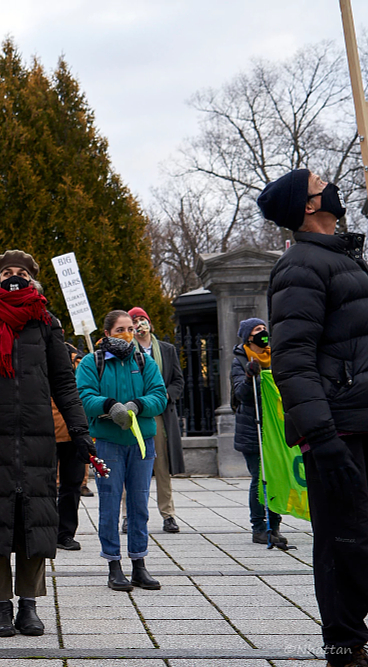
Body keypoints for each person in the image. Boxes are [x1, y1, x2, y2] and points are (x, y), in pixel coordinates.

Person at [260, 168, 368, 667]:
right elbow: (293, 359)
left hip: (361, 420)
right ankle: (346, 650)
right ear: (308, 206)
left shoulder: (345, 258)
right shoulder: (301, 265)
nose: (333, 186)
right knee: (345, 543)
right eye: (321, 182)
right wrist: (322, 438)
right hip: (340, 430)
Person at [0, 250, 93, 637]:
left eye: (20, 272)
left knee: (35, 522)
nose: (13, 276)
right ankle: (1, 606)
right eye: (6, 272)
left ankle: (29, 606)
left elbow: (64, 382)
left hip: (36, 438)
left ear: (33, 281)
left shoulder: (46, 324)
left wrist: (80, 430)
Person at [76, 310, 167, 592]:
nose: (127, 334)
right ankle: (113, 565)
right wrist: (109, 406)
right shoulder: (93, 362)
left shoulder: (144, 360)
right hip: (108, 443)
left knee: (139, 505)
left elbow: (159, 395)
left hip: (141, 445)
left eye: (130, 328)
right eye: (120, 330)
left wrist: (138, 405)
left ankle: (139, 564)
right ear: (106, 334)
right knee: (110, 504)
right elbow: (84, 395)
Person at [122, 306, 185, 534]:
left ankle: (168, 515)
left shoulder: (166, 350)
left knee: (162, 466)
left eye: (142, 319)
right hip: (136, 413)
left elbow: (178, 380)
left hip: (159, 414)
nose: (139, 324)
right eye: (134, 321)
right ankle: (128, 515)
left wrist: (166, 394)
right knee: (132, 465)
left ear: (150, 323)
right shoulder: (127, 350)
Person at [231, 317, 288, 548]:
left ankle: (274, 526)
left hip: (276, 427)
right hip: (252, 428)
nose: (263, 333)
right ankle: (258, 527)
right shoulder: (239, 360)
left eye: (265, 328)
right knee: (259, 478)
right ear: (248, 337)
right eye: (257, 330)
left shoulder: (277, 358)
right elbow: (240, 394)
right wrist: (249, 376)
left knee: (276, 477)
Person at [55, 342, 87, 551]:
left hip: (72, 433)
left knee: (72, 486)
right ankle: (47, 530)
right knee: (44, 488)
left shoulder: (78, 359)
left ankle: (65, 533)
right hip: (45, 432)